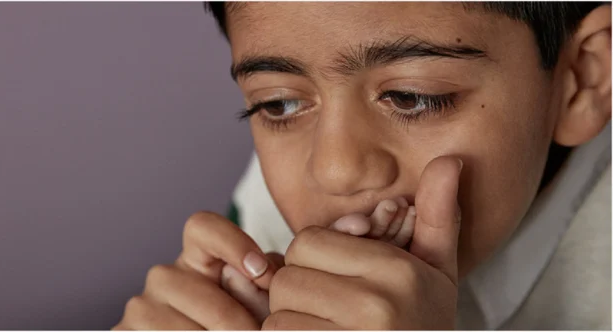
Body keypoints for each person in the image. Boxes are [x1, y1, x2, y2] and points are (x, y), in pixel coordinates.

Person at [113, 2, 611, 330]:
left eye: (411, 97)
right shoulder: (256, 233)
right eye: (279, 105)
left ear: (582, 79)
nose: (334, 170)